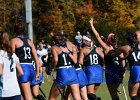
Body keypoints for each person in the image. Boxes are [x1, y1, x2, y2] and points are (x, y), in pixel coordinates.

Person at [89, 18, 126, 100]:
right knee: (115, 92)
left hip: (110, 70)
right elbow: (123, 61)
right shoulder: (119, 49)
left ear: (108, 40)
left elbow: (97, 36)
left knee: (113, 95)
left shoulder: (106, 48)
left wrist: (92, 25)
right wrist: (123, 72)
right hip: (119, 70)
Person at [11, 18, 45, 100]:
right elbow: (36, 59)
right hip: (32, 68)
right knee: (30, 94)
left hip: (22, 68)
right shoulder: (30, 41)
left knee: (27, 96)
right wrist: (37, 73)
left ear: (15, 30)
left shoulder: (13, 41)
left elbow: (10, 56)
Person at [48, 34, 81, 100]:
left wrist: (51, 68)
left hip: (62, 72)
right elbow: (76, 51)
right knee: (77, 98)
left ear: (54, 41)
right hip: (72, 71)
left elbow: (55, 60)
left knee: (52, 98)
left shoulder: (54, 47)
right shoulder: (68, 44)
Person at [111, 31, 140, 100]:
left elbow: (113, 55)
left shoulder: (126, 47)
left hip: (136, 69)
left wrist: (114, 45)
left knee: (133, 94)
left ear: (127, 40)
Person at [79, 34, 104, 100]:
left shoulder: (83, 49)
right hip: (99, 71)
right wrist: (103, 66)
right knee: (93, 93)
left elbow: (80, 62)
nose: (82, 42)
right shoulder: (98, 49)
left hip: (90, 71)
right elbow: (105, 59)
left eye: (83, 40)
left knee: (89, 93)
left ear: (86, 41)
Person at [0, 31, 23, 100]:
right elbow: (21, 73)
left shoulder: (0, 54)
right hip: (15, 91)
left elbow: (0, 72)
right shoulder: (13, 55)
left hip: (4, 92)